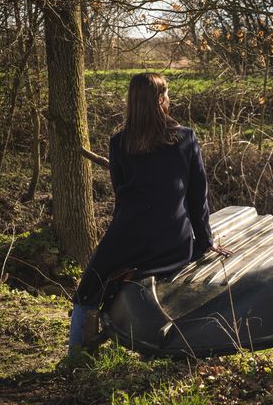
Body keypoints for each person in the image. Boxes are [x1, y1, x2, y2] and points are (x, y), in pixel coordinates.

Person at [68, 72, 231, 355]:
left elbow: (121, 195)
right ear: (159, 100)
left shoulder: (119, 143)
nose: (169, 99)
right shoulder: (186, 138)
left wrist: (115, 242)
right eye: (166, 94)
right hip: (171, 239)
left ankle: (75, 358)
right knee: (103, 283)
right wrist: (205, 242)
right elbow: (197, 198)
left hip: (127, 236)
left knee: (86, 292)